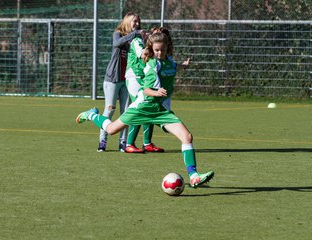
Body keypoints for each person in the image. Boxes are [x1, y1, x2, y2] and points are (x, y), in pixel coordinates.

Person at [76, 32, 214, 188]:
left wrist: (184, 65)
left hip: (160, 110)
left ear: (167, 47)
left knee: (187, 137)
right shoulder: (153, 65)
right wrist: (157, 92)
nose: (159, 53)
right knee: (111, 129)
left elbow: (174, 67)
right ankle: (92, 115)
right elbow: (146, 89)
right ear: (152, 49)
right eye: (156, 50)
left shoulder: (169, 61)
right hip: (143, 106)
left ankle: (194, 176)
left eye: (162, 49)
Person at [97, 12, 143, 152]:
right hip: (112, 79)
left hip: (127, 80)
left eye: (138, 22)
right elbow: (117, 44)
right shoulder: (118, 33)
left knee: (126, 112)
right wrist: (134, 34)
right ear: (127, 21)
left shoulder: (136, 39)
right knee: (110, 110)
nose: (136, 24)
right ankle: (102, 141)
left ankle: (123, 143)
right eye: (134, 21)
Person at [124, 27, 164, 153]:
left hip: (143, 78)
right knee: (139, 108)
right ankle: (129, 144)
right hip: (134, 77)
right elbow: (141, 54)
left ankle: (147, 143)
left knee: (149, 106)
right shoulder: (137, 41)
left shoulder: (153, 47)